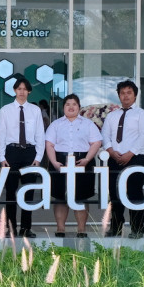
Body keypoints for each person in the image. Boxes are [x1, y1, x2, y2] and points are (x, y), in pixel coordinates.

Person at [45, 94, 103, 238]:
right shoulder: (56, 124)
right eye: (67, 104)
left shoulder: (88, 124)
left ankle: (81, 229)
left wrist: (87, 159)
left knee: (81, 197)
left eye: (74, 104)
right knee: (60, 197)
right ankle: (60, 228)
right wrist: (54, 162)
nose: (71, 107)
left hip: (82, 161)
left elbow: (96, 142)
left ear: (79, 107)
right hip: (60, 161)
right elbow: (49, 144)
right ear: (63, 107)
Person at [102, 79, 144, 239]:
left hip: (136, 159)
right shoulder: (112, 116)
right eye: (122, 93)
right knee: (115, 194)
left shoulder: (142, 115)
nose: (125, 96)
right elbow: (105, 135)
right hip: (115, 159)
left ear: (135, 95)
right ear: (119, 95)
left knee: (134, 194)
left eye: (129, 93)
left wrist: (130, 153)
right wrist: (111, 151)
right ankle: (116, 228)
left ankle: (137, 228)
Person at [0, 77, 44, 238]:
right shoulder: (5, 110)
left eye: (24, 89)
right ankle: (11, 228)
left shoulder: (35, 110)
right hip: (11, 152)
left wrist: (38, 157)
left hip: (30, 152)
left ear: (29, 91)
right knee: (10, 192)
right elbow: (1, 134)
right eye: (19, 89)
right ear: (14, 91)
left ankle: (26, 228)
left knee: (28, 192)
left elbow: (40, 135)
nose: (22, 92)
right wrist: (2, 157)